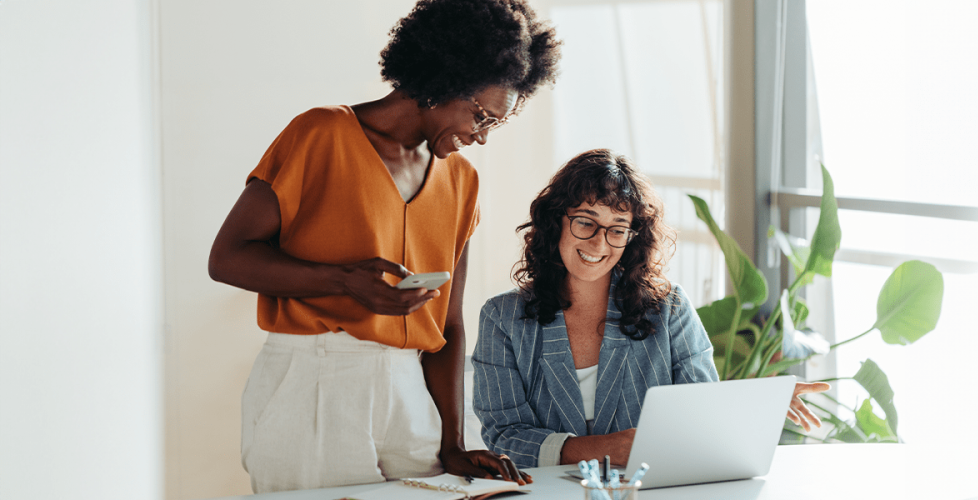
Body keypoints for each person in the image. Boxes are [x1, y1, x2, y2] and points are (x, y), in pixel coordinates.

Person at [207, 0, 561, 493]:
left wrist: (453, 443)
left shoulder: (461, 180)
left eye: (493, 125)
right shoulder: (320, 133)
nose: (479, 137)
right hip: (314, 378)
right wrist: (341, 281)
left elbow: (449, 324)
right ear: (444, 77)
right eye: (480, 115)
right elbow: (227, 257)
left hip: (409, 390)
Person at [472, 149, 830, 468]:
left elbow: (699, 411)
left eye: (617, 229)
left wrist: (758, 402)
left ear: (632, 238)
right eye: (585, 221)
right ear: (556, 222)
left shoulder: (669, 308)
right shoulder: (502, 318)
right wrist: (600, 448)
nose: (599, 241)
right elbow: (504, 436)